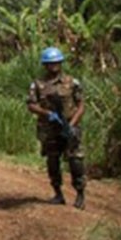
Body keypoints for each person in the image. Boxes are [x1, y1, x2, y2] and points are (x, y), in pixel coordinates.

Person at [26, 47, 86, 209]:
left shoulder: (72, 83)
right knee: (53, 161)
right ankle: (58, 193)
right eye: (50, 63)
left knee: (75, 160)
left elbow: (81, 106)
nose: (54, 66)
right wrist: (47, 113)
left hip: (70, 126)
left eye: (56, 63)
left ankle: (80, 194)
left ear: (61, 63)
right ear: (45, 65)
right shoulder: (38, 85)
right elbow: (31, 105)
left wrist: (72, 125)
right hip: (50, 129)